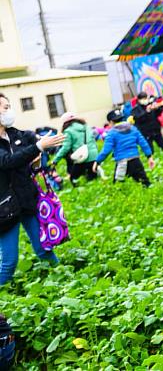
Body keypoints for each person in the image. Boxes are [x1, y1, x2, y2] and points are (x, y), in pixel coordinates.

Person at [0, 93, 63, 285]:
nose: (8, 110)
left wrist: (36, 161)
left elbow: (30, 163)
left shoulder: (17, 135)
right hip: (5, 208)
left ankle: (64, 278)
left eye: (8, 106)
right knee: (9, 262)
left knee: (44, 249)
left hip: (27, 200)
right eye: (4, 107)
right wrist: (38, 146)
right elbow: (7, 162)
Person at [94, 109, 155, 186]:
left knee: (118, 186)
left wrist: (97, 161)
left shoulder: (111, 133)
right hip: (135, 160)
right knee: (145, 183)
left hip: (122, 162)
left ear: (111, 122)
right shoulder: (133, 128)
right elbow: (143, 143)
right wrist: (149, 156)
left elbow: (106, 150)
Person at [50, 112, 99, 185]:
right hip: (94, 155)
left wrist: (55, 160)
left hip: (82, 157)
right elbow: (93, 140)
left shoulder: (68, 131)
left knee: (73, 178)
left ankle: (81, 192)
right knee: (93, 179)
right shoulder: (85, 126)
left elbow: (65, 148)